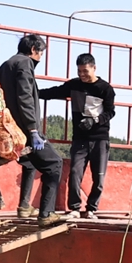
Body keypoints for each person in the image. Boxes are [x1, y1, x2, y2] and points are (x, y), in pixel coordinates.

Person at [0, 34, 65, 228]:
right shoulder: (25, 63)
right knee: (55, 164)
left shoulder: (5, 65)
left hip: (9, 129)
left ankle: (25, 206)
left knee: (30, 162)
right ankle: (46, 213)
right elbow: (25, 98)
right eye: (41, 52)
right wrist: (33, 129)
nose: (40, 57)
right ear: (34, 49)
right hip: (24, 130)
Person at [40, 53, 116, 220]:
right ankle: (74, 208)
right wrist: (33, 92)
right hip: (80, 139)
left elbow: (111, 112)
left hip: (100, 138)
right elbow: (54, 92)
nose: (82, 74)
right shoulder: (74, 85)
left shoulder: (105, 88)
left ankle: (91, 209)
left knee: (99, 176)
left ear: (94, 68)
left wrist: (95, 120)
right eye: (79, 71)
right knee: (75, 172)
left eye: (85, 71)